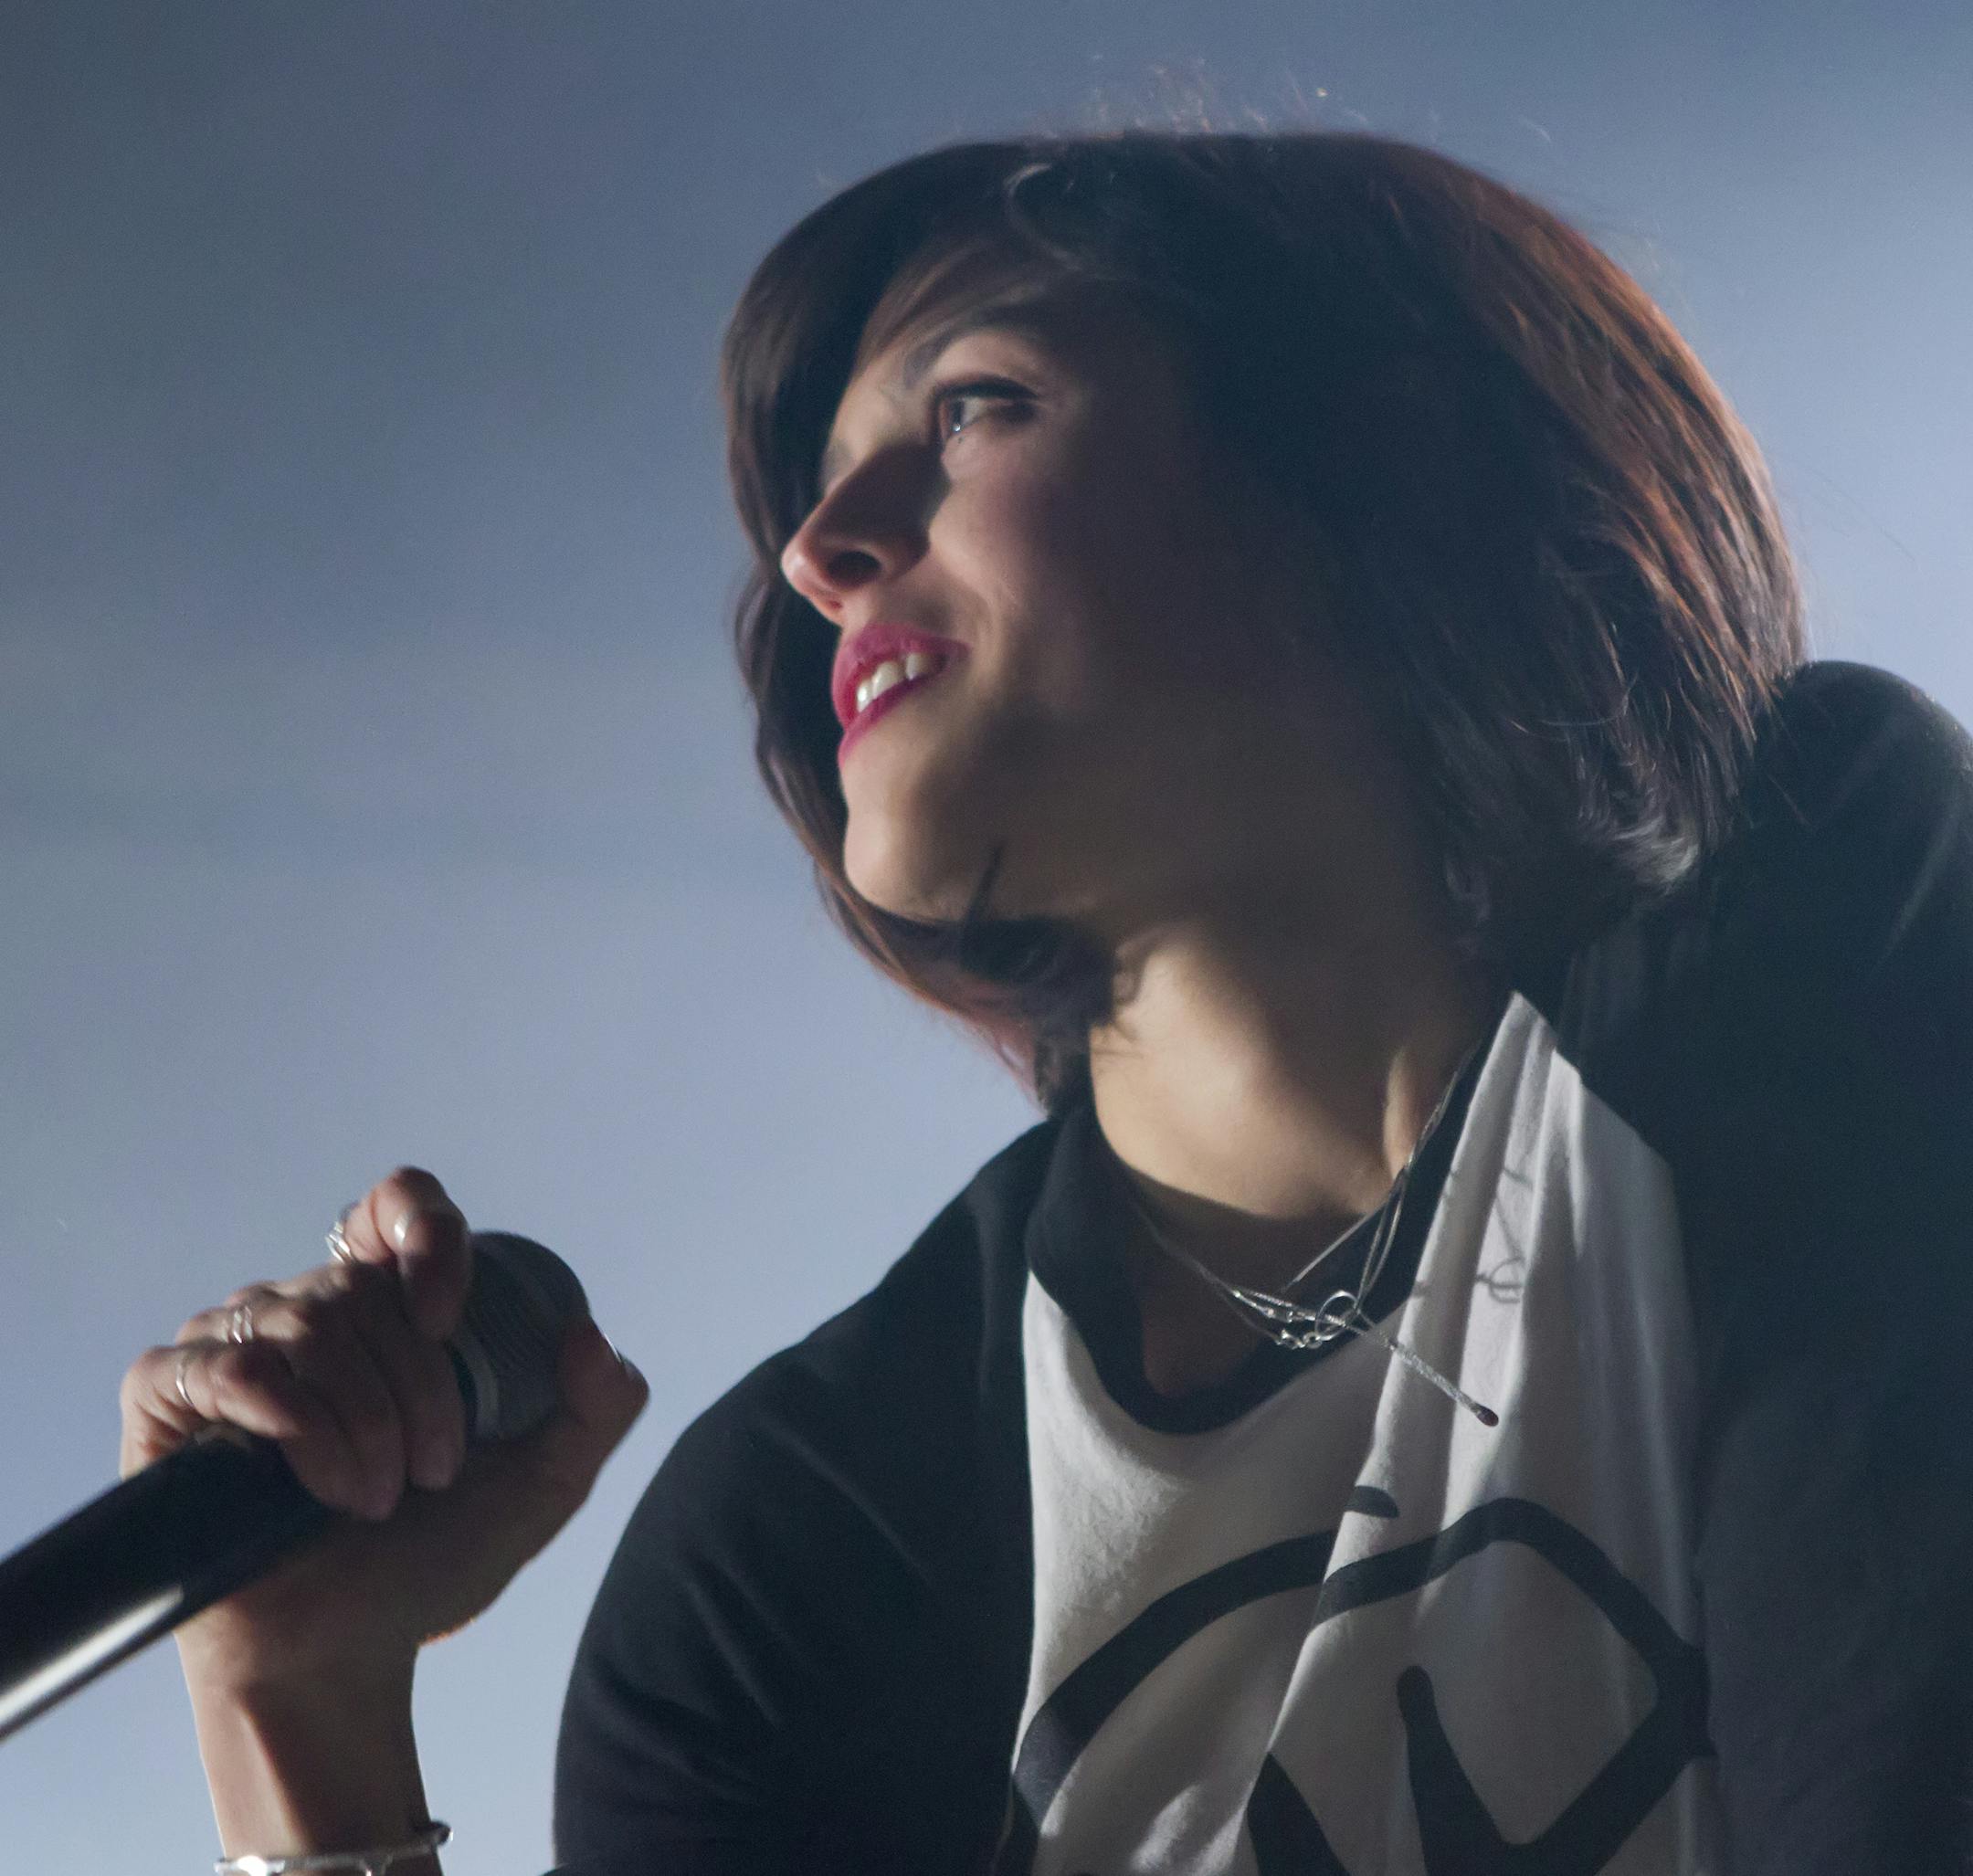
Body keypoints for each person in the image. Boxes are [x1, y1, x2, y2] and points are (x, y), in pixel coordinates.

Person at [121, 131, 1973, 1876]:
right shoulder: (803, 1542)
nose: (822, 546)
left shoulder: (1818, 903)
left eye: (976, 403)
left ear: (1366, 463)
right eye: (824, 490)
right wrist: (299, 1716)